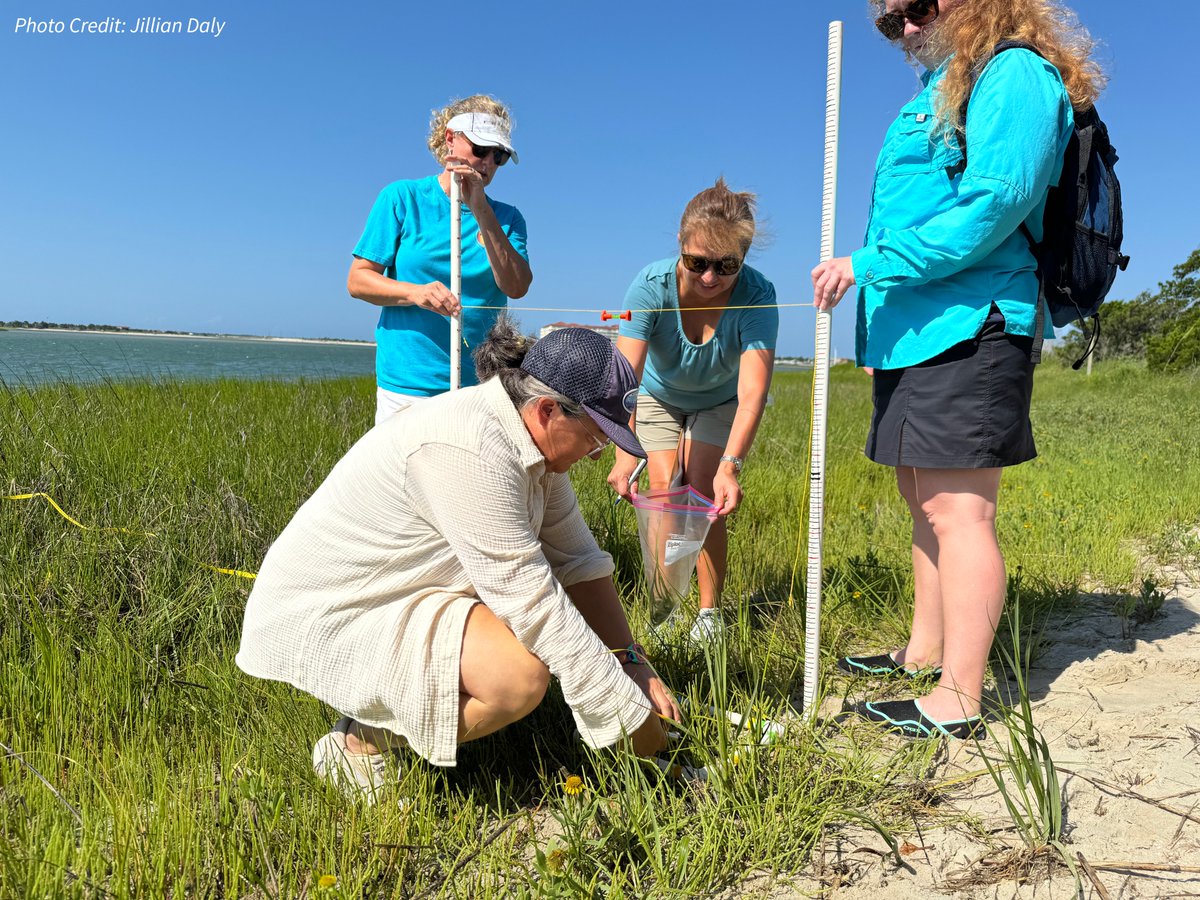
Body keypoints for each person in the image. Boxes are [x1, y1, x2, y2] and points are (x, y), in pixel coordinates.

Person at [810, 0, 1104, 738]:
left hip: (974, 324)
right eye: (889, 21)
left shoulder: (1014, 73)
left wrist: (869, 264)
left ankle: (961, 697)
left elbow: (997, 202)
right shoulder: (941, 86)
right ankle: (924, 653)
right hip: (911, 332)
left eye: (915, 6)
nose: (904, 27)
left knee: (960, 512)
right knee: (923, 503)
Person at [236, 321, 680, 798]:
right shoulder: (472, 449)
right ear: (548, 410)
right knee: (518, 677)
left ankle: (388, 715)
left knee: (531, 660)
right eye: (596, 439)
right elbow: (536, 606)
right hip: (337, 611)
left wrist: (630, 661)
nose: (596, 456)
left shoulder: (529, 440)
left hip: (399, 591)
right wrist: (640, 732)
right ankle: (357, 740)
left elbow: (579, 561)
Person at [608, 179, 778, 644]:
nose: (709, 277)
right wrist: (626, 453)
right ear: (681, 246)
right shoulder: (650, 287)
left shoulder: (758, 295)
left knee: (702, 491)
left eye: (726, 265)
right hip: (658, 397)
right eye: (697, 262)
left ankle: (708, 614)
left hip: (720, 401)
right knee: (664, 490)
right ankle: (664, 611)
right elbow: (626, 376)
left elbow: (752, 393)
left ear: (743, 258)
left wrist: (732, 466)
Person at [347, 94, 533, 426]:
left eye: (499, 155)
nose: (488, 162)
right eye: (479, 149)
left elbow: (516, 286)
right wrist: (415, 293)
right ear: (450, 139)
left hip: (483, 387)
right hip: (408, 385)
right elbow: (358, 280)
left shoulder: (508, 219)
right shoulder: (402, 198)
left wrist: (480, 209)